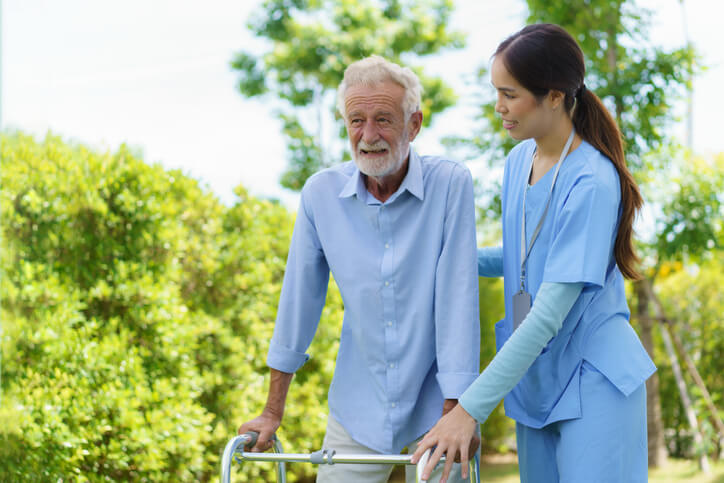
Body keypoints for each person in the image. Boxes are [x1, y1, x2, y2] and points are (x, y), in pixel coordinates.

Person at [412, 24, 656, 483]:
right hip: (536, 383)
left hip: (595, 379)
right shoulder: (517, 162)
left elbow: (547, 315)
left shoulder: (592, 181)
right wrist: (445, 259)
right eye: (495, 92)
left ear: (555, 96)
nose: (498, 107)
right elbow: (525, 259)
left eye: (510, 94)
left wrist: (469, 409)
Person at [238, 55, 481, 483]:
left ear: (414, 124)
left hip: (437, 403)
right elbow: (298, 302)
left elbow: (458, 299)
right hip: (358, 405)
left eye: (384, 120)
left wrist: (458, 410)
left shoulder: (450, 184)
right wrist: (272, 411)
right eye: (356, 120)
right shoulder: (320, 194)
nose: (368, 136)